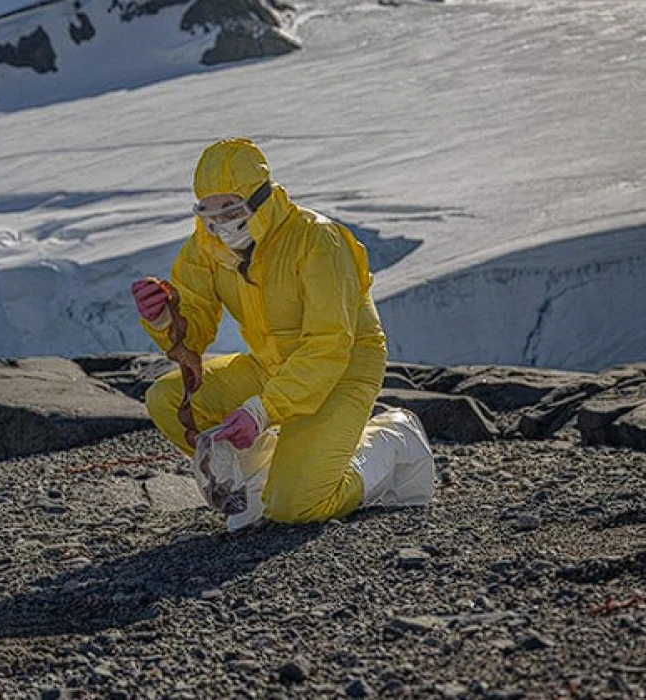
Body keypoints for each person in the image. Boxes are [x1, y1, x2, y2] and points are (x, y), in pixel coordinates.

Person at [131, 137, 434, 526]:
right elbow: (196, 324)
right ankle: (259, 482)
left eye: (231, 209)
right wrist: (163, 318)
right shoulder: (207, 245)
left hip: (341, 371)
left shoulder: (317, 240)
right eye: (209, 212)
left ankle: (391, 446)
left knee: (298, 508)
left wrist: (264, 409)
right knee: (168, 400)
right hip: (272, 368)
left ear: (261, 200)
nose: (221, 224)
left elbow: (329, 345)